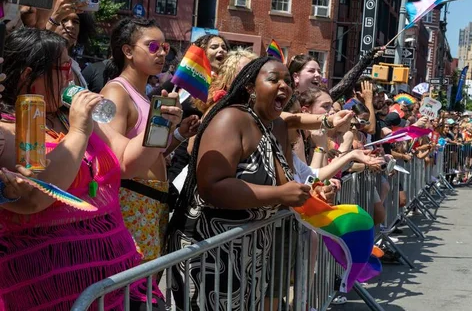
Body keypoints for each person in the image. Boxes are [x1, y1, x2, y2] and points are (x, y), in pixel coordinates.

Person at [0, 28, 174, 310]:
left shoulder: (70, 118)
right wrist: (80, 129)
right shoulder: (7, 130)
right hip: (52, 294)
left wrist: (162, 125)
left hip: (117, 279)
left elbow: (129, 162)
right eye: (65, 67)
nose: (72, 76)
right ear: (28, 75)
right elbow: (36, 197)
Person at [168, 56, 311, 310]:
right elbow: (212, 186)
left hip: (249, 251)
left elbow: (283, 184)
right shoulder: (230, 119)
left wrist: (308, 195)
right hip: (210, 249)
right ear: (250, 88)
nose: (284, 86)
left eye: (288, 81)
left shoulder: (273, 126)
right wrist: (280, 194)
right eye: (273, 79)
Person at [102, 18, 190, 262]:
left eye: (165, 48)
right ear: (128, 51)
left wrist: (179, 132)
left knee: (147, 289)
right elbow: (114, 159)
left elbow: (150, 153)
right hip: (132, 204)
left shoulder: (143, 95)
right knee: (135, 291)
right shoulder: (116, 92)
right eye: (153, 47)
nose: (162, 53)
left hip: (150, 205)